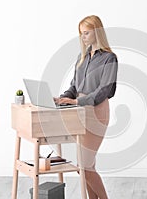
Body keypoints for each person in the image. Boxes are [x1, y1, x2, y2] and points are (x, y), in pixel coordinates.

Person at [54, 15, 118, 199]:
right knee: (86, 166)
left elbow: (104, 90)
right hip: (78, 112)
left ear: (97, 32)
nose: (83, 37)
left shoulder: (109, 58)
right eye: (81, 34)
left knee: (84, 165)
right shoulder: (81, 58)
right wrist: (62, 99)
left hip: (96, 112)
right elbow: (74, 86)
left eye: (86, 33)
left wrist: (76, 102)